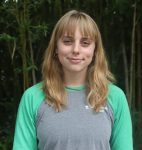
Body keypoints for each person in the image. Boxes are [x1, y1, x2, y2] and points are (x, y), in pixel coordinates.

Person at [13, 10, 133, 150]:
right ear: (56, 48)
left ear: (95, 50)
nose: (76, 49)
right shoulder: (32, 97)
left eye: (85, 42)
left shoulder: (114, 96)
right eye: (67, 41)